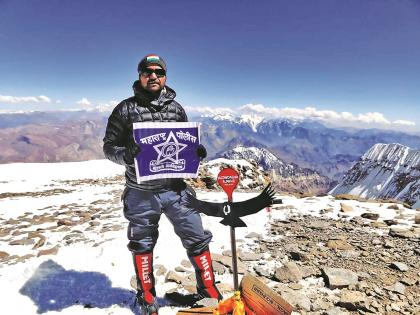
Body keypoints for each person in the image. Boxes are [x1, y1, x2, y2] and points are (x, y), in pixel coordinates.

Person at [103, 54, 222, 315]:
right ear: (140, 75)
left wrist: (195, 152)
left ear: (165, 76)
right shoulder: (124, 109)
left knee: (196, 236)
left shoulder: (176, 109)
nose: (153, 76)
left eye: (158, 71)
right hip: (141, 191)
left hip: (176, 188)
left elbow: (184, 144)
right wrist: (124, 154)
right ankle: (146, 295)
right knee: (142, 243)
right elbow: (108, 147)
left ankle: (208, 287)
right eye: (147, 71)